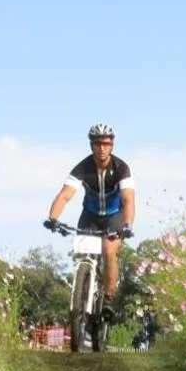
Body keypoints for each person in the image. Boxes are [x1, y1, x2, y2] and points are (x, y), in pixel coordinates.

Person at [43, 122, 136, 306]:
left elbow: (128, 200)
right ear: (91, 145)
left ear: (112, 145)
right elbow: (64, 196)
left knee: (109, 251)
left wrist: (127, 225)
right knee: (81, 252)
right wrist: (53, 218)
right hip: (90, 215)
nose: (102, 148)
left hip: (114, 216)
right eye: (97, 143)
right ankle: (82, 291)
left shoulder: (121, 168)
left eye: (106, 144)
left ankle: (108, 298)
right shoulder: (82, 168)